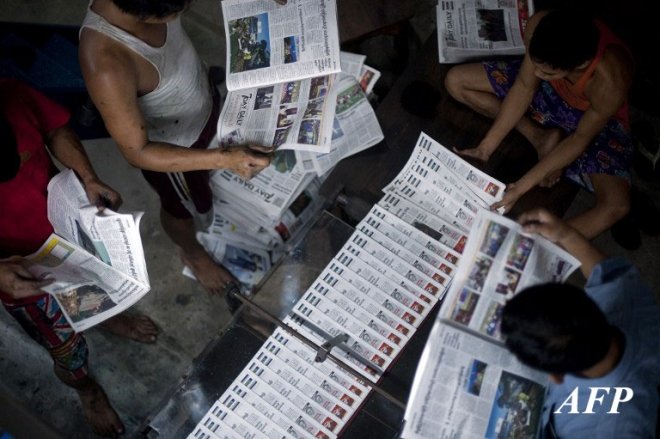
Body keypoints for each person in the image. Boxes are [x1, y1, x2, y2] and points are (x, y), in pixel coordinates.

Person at [79, 0, 276, 295]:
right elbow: (137, 152)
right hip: (177, 147)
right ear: (145, 12)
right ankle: (193, 254)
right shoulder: (106, 63)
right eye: (178, 10)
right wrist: (222, 160)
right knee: (182, 209)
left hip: (205, 102)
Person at [0, 78, 159, 437]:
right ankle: (87, 390)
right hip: (22, 279)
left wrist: (87, 177)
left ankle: (104, 318)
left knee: (100, 287)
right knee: (67, 351)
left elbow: (55, 129)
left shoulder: (10, 93)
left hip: (71, 230)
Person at [444, 9, 634, 240]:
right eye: (536, 64)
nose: (536, 72)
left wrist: (520, 187)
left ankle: (531, 246)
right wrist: (485, 148)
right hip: (547, 94)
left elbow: (580, 139)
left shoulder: (609, 80)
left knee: (616, 206)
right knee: (456, 82)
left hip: (595, 121)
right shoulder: (539, 25)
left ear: (580, 65)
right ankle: (539, 137)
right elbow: (525, 86)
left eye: (546, 70)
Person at [501, 208, 660, 438]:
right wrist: (565, 234)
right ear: (592, 301)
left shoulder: (613, 429)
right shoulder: (626, 296)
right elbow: (605, 272)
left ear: (555, 376)